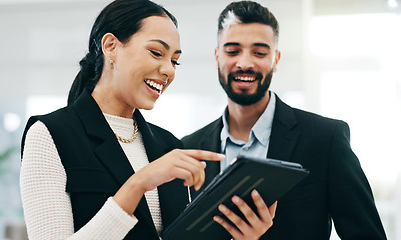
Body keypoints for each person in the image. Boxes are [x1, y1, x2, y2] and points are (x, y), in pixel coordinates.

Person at [19, 0, 275, 239]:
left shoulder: (169, 146)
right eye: (156, 52)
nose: (169, 70)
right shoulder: (50, 135)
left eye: (175, 60)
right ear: (110, 46)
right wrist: (138, 183)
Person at [182, 1, 387, 239]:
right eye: (232, 51)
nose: (245, 63)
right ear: (217, 57)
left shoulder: (325, 139)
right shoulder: (189, 148)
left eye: (259, 52)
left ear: (276, 60)